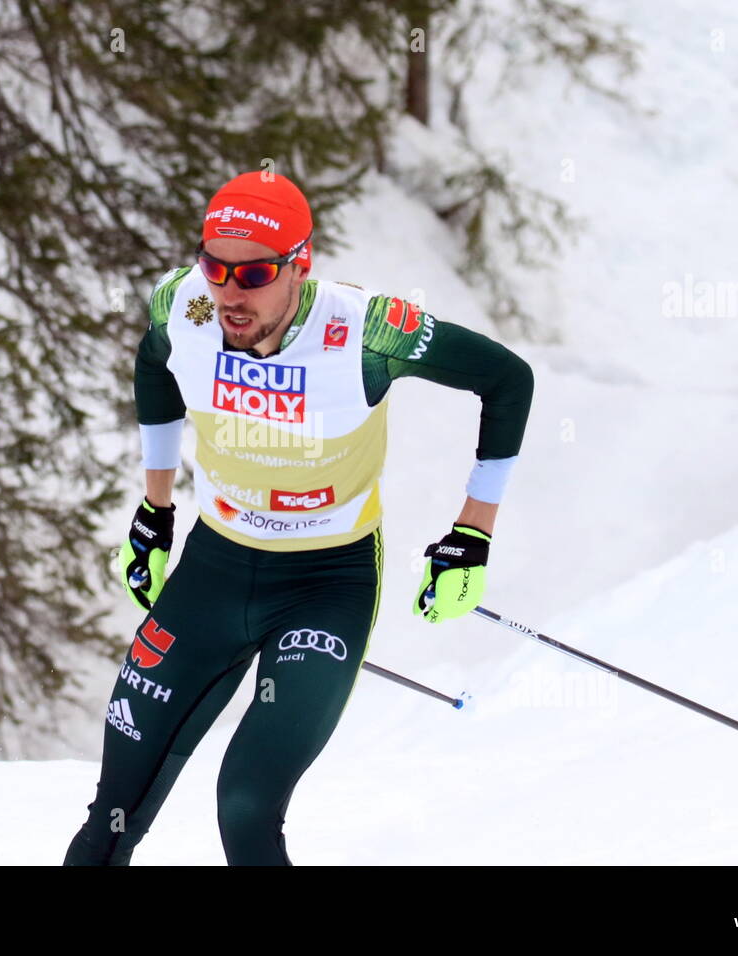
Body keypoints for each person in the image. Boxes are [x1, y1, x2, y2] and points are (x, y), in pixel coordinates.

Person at [63, 170, 534, 865]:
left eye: (253, 273)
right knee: (112, 814)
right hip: (214, 573)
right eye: (215, 266)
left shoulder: (368, 333)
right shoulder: (182, 304)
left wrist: (473, 533)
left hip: (327, 583)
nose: (229, 290)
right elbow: (154, 360)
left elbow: (506, 379)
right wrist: (155, 509)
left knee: (246, 805)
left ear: (299, 265)